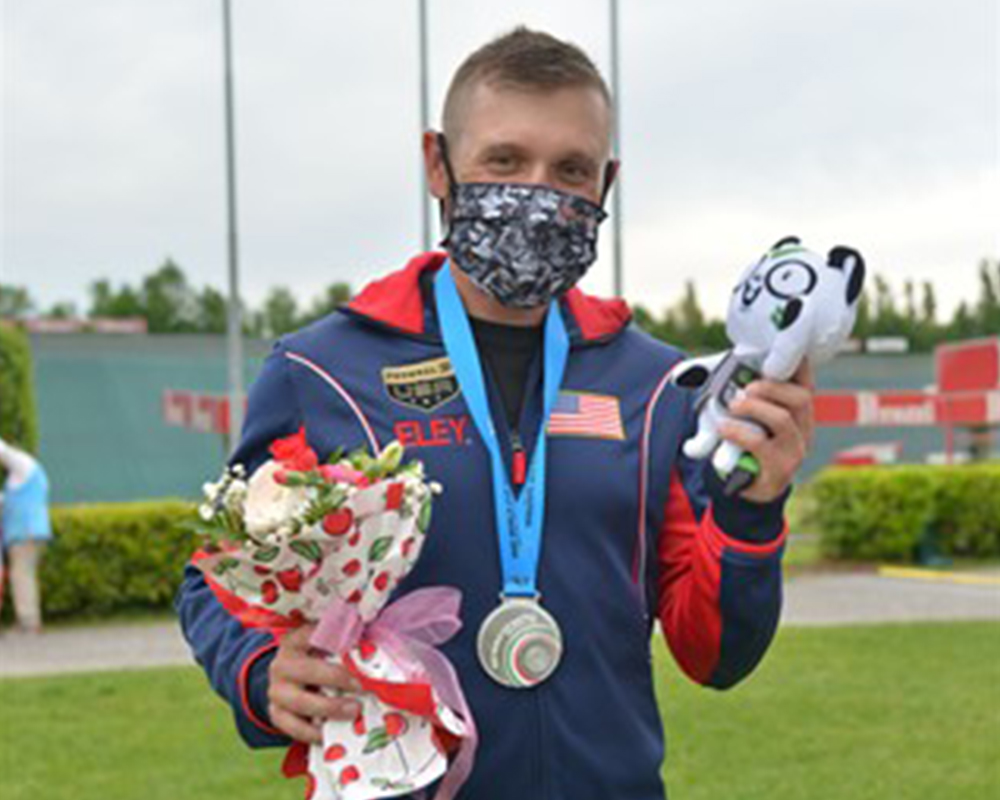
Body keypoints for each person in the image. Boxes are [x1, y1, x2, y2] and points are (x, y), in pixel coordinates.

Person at [177, 28, 813, 799]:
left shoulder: (656, 388)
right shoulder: (323, 370)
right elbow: (219, 579)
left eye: (571, 170)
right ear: (437, 164)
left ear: (606, 184)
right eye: (505, 161)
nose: (539, 195)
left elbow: (716, 656)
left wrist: (754, 508)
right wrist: (256, 669)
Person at [0, 436, 53, 634]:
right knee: (23, 575)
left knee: (21, 576)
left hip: (26, 534)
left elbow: (3, 451)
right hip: (27, 534)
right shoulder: (17, 481)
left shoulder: (25, 466)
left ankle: (28, 623)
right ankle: (29, 621)